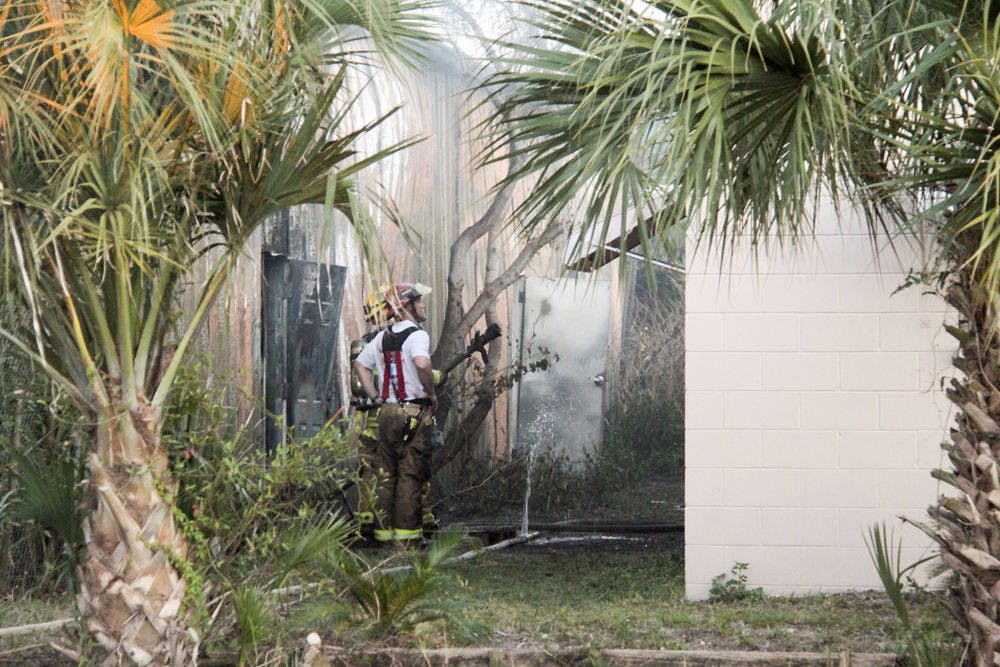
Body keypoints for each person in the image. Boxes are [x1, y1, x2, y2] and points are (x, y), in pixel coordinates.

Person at [353, 282, 438, 545]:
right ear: (407, 306)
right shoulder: (417, 334)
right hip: (412, 411)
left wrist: (376, 397)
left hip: (386, 412)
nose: (423, 304)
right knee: (410, 476)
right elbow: (422, 363)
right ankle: (407, 541)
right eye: (418, 300)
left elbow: (360, 364)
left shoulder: (382, 337)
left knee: (386, 474)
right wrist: (431, 393)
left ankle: (383, 535)